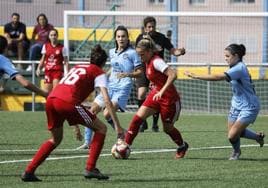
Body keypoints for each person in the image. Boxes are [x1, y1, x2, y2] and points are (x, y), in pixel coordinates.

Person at [21, 45, 121, 182]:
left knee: (55, 139)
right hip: (67, 102)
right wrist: (118, 127)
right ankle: (91, 168)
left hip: (52, 99)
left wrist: (76, 126)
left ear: (90, 59)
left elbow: (69, 92)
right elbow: (107, 100)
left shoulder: (78, 67)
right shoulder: (99, 73)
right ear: (104, 63)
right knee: (101, 128)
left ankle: (29, 171)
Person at [184, 43, 265, 160]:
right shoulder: (233, 67)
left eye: (227, 56)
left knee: (232, 135)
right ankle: (257, 137)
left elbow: (218, 77)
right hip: (236, 104)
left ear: (236, 56)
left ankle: (236, 152)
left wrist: (196, 76)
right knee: (235, 133)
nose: (225, 58)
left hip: (249, 106)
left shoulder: (239, 68)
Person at [76, 25, 143, 149]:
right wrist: (104, 76)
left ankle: (121, 134)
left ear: (128, 38)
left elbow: (140, 72)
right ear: (115, 38)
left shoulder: (133, 53)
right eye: (118, 36)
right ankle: (87, 142)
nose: (121, 39)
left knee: (107, 113)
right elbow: (113, 68)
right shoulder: (112, 52)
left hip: (123, 87)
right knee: (92, 111)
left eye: (123, 36)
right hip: (110, 85)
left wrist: (128, 74)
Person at [123, 35, 189, 159]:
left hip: (169, 98)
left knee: (167, 129)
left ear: (148, 52)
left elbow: (173, 74)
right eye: (138, 54)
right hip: (156, 94)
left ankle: (182, 145)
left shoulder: (157, 61)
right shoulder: (147, 61)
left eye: (142, 54)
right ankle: (126, 145)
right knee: (137, 118)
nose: (140, 57)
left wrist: (162, 91)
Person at [135, 16, 185, 132]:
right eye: (149, 27)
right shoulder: (140, 38)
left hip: (156, 71)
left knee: (157, 95)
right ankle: (143, 122)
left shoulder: (161, 38)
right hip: (144, 69)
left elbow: (171, 50)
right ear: (145, 28)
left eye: (153, 26)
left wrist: (180, 52)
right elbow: (138, 52)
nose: (151, 29)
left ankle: (155, 124)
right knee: (141, 93)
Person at [36, 29, 69, 93]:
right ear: (49, 36)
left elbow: (66, 61)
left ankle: (55, 103)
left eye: (54, 35)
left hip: (57, 71)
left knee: (55, 91)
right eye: (51, 35)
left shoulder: (62, 47)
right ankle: (48, 103)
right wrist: (38, 68)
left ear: (57, 36)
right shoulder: (45, 46)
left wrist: (67, 72)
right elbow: (43, 59)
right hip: (48, 71)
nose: (53, 37)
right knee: (46, 92)